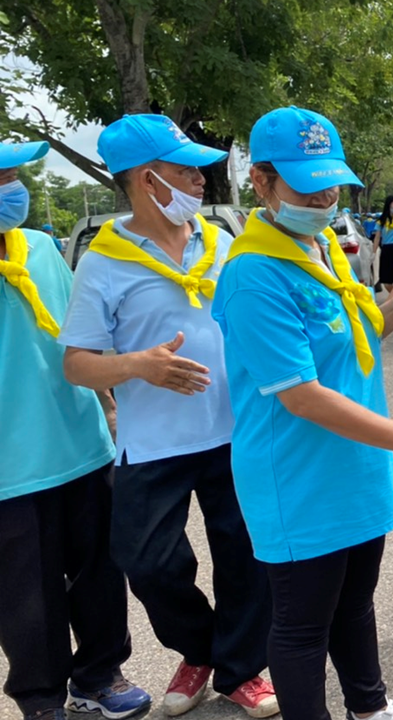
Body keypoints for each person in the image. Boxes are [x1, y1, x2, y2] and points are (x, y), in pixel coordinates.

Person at [212, 105, 393, 720]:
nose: (325, 195)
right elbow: (301, 394)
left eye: (332, 180)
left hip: (353, 462)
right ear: (263, 181)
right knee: (302, 625)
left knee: (355, 602)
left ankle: (370, 708)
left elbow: (351, 342)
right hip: (297, 476)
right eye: (308, 183)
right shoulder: (255, 274)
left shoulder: (323, 245)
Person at [60, 115, 278, 718]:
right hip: (153, 442)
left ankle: (240, 669)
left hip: (235, 429)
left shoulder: (221, 241)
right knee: (147, 561)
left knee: (246, 553)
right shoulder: (102, 262)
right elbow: (77, 365)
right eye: (185, 170)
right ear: (147, 179)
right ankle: (199, 648)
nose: (200, 179)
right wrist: (137, 367)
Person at [0, 140, 152, 720]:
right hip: (10, 470)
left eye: (14, 173)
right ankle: (40, 701)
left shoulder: (39, 248)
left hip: (81, 446)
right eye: (1, 177)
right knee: (26, 596)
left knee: (99, 574)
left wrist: (109, 410)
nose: (14, 187)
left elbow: (79, 340)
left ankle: (98, 676)